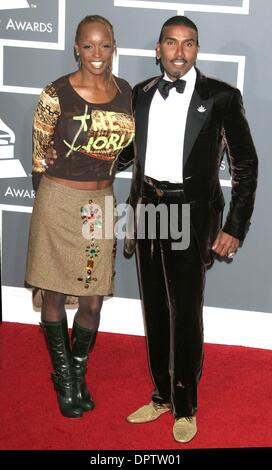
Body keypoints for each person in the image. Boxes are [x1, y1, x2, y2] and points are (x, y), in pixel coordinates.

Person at [124, 16, 258, 443]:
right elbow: (129, 156)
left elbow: (246, 165)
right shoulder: (140, 94)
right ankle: (161, 395)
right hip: (148, 208)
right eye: (171, 43)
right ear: (158, 48)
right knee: (156, 308)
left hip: (190, 213)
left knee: (186, 311)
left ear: (197, 50)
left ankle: (185, 406)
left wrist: (235, 226)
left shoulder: (221, 97)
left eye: (189, 44)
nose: (179, 52)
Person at [25, 15, 134, 418]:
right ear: (76, 47)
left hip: (100, 205)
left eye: (104, 45)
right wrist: (52, 175)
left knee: (92, 300)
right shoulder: (55, 93)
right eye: (88, 46)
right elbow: (38, 156)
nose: (97, 55)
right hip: (59, 200)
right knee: (54, 294)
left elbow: (129, 150)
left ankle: (78, 369)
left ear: (114, 46)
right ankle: (65, 380)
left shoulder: (126, 93)